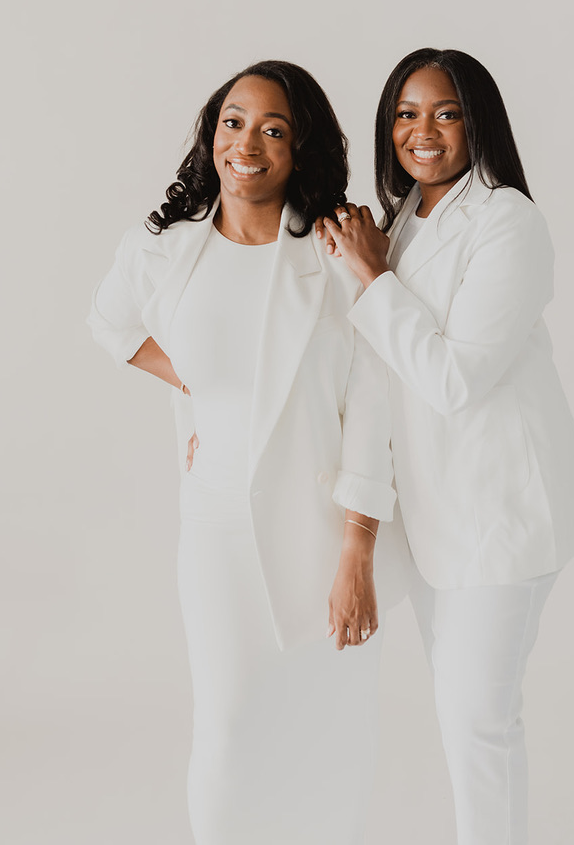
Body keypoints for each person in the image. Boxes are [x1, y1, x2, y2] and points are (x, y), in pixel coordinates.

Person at [88, 60, 408, 845]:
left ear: (300, 149)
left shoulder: (337, 255)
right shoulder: (162, 248)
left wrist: (357, 553)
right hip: (216, 534)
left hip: (327, 530)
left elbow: (374, 402)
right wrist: (199, 389)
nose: (248, 143)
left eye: (274, 129)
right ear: (211, 131)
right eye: (234, 122)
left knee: (330, 736)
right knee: (228, 731)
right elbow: (112, 324)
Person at [320, 47, 574, 845]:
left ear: (479, 123)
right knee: (461, 716)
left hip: (502, 510)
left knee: (479, 723)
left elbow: (454, 378)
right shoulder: (405, 220)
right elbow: (374, 373)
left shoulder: (508, 221)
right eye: (406, 113)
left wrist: (372, 281)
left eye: (445, 113)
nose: (423, 131)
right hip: (439, 517)